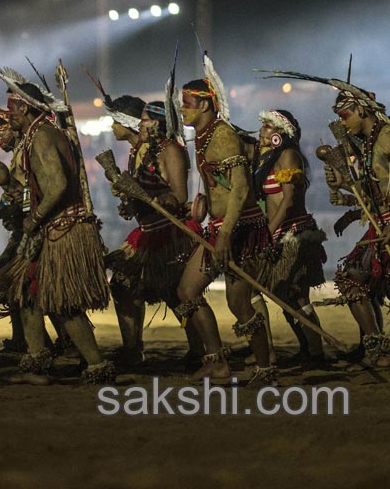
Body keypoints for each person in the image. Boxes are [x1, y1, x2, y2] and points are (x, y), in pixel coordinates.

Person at [0, 68, 115, 385]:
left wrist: (34, 218)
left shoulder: (43, 137)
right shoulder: (40, 134)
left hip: (63, 228)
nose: (8, 115)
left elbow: (58, 185)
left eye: (11, 109)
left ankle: (96, 364)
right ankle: (37, 364)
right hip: (59, 226)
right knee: (29, 294)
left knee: (64, 304)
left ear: (24, 107)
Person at [175, 61, 275, 386]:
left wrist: (225, 234)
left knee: (238, 302)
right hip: (219, 226)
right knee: (187, 291)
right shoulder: (203, 137)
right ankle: (216, 362)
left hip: (241, 229)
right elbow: (223, 186)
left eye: (186, 106)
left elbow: (242, 188)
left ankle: (264, 367)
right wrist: (204, 204)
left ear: (204, 104)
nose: (182, 111)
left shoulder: (221, 135)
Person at [322, 82, 390, 378]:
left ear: (362, 109)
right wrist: (341, 187)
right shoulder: (367, 143)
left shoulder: (389, 135)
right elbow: (372, 196)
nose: (343, 123)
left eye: (345, 116)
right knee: (352, 279)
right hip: (380, 226)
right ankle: (378, 348)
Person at [103, 95, 203, 367]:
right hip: (147, 230)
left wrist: (154, 200)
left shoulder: (169, 149)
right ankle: (133, 350)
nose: (113, 126)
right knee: (125, 286)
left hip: (169, 233)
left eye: (145, 119)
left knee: (174, 292)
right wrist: (131, 202)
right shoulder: (141, 150)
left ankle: (201, 350)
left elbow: (179, 195)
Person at [253, 109, 328, 366]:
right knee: (285, 294)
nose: (260, 131)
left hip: (292, 232)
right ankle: (307, 349)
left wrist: (267, 233)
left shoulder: (288, 155)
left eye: (265, 127)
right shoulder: (273, 157)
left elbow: (288, 201)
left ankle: (315, 353)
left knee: (296, 296)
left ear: (280, 133)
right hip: (280, 230)